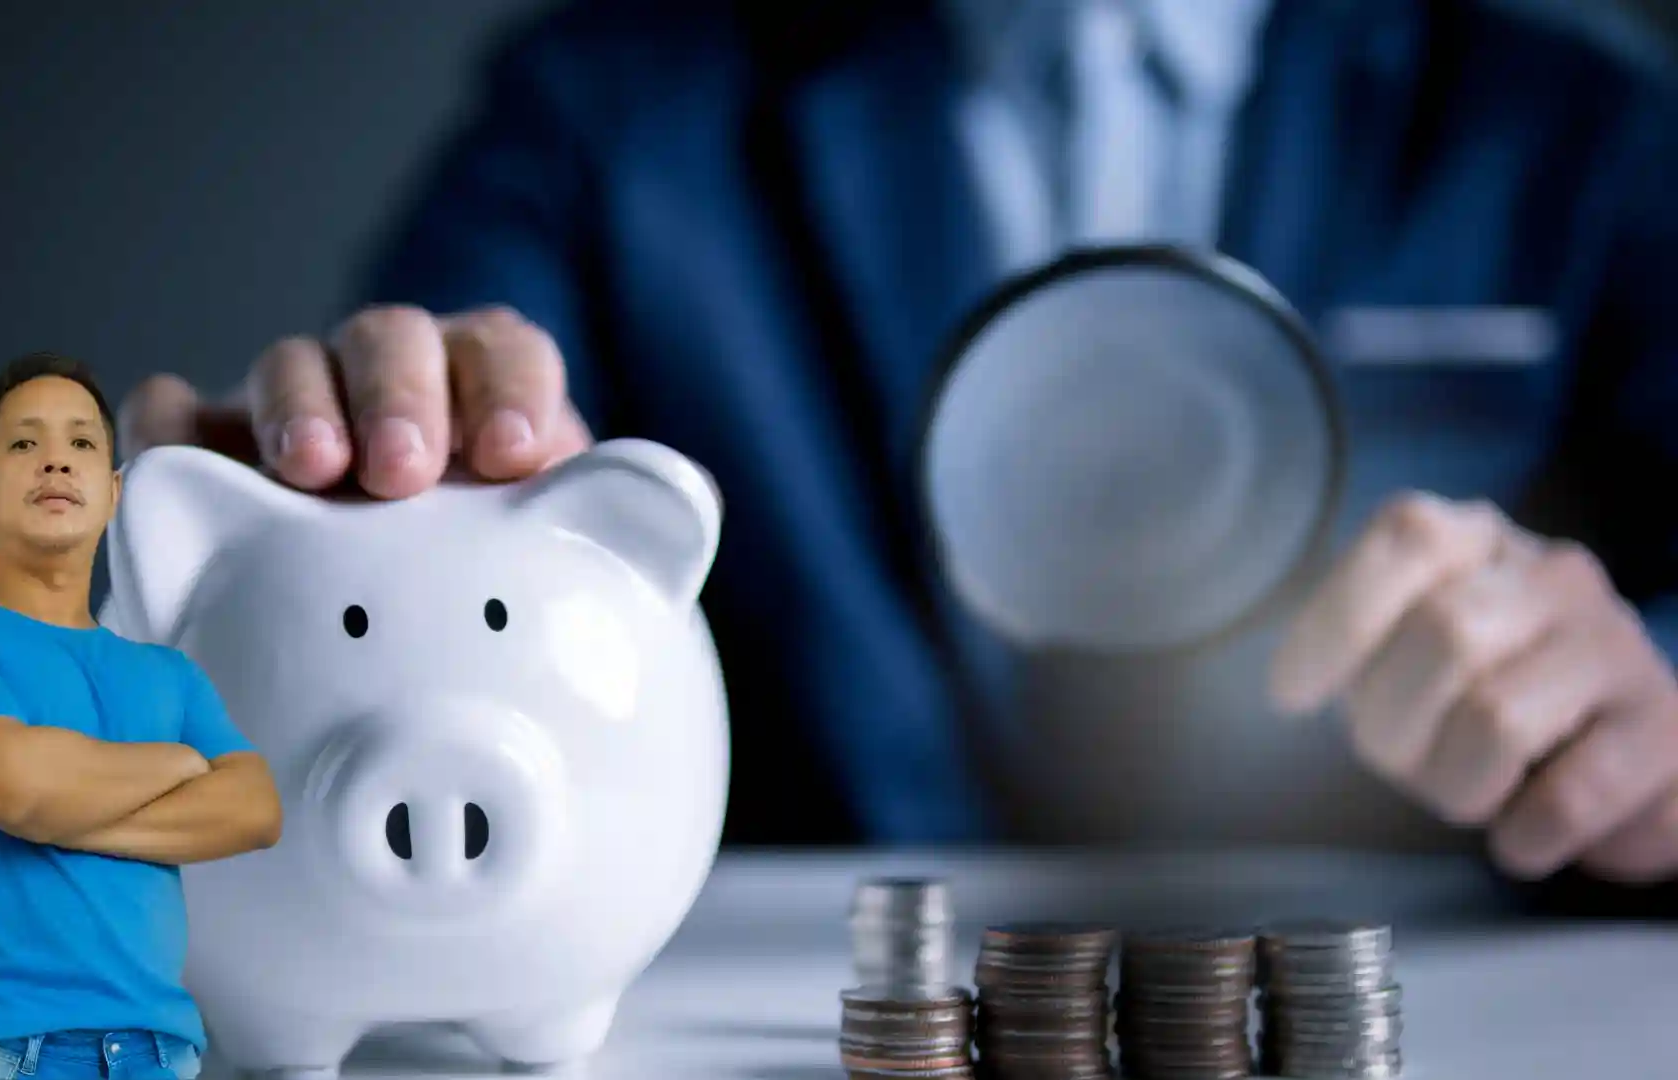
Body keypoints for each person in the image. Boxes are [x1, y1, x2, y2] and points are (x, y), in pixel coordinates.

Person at [120, 0, 1678, 894]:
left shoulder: (1575, 121)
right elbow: (422, 442)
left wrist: (1656, 730)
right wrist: (318, 521)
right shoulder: (612, 111)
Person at [0, 353, 284, 1079]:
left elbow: (255, 808)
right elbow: (18, 787)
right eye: (24, 444)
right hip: (0, 1045)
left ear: (116, 491)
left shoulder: (168, 671)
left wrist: (57, 815)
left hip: (158, 1047)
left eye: (83, 444)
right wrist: (178, 766)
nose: (55, 462)